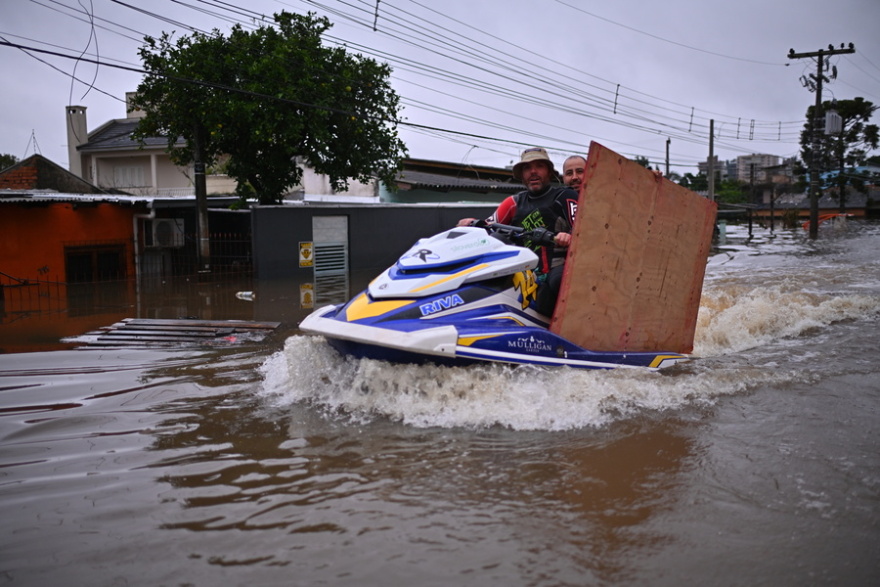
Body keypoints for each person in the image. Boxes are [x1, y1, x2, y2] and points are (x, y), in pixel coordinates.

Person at [458, 147, 578, 316]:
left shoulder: (566, 196)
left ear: (550, 172)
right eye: (527, 168)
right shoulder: (513, 202)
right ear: (522, 174)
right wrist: (469, 224)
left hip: (558, 267)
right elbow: (489, 228)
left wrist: (569, 237)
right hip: (522, 272)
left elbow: (586, 234)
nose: (533, 172)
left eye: (539, 166)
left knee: (559, 282)